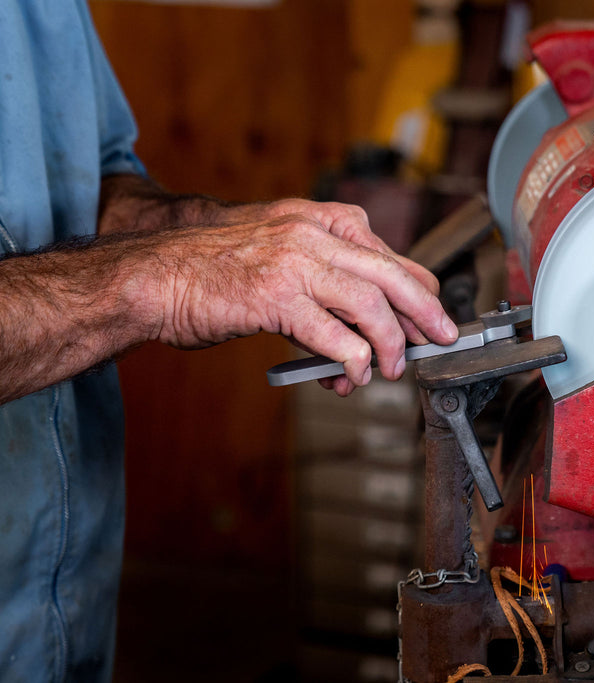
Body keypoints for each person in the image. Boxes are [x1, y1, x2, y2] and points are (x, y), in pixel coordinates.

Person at [0, 1, 458, 680]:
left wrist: (222, 235)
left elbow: (94, 195)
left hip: (64, 612)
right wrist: (164, 278)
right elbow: (132, 269)